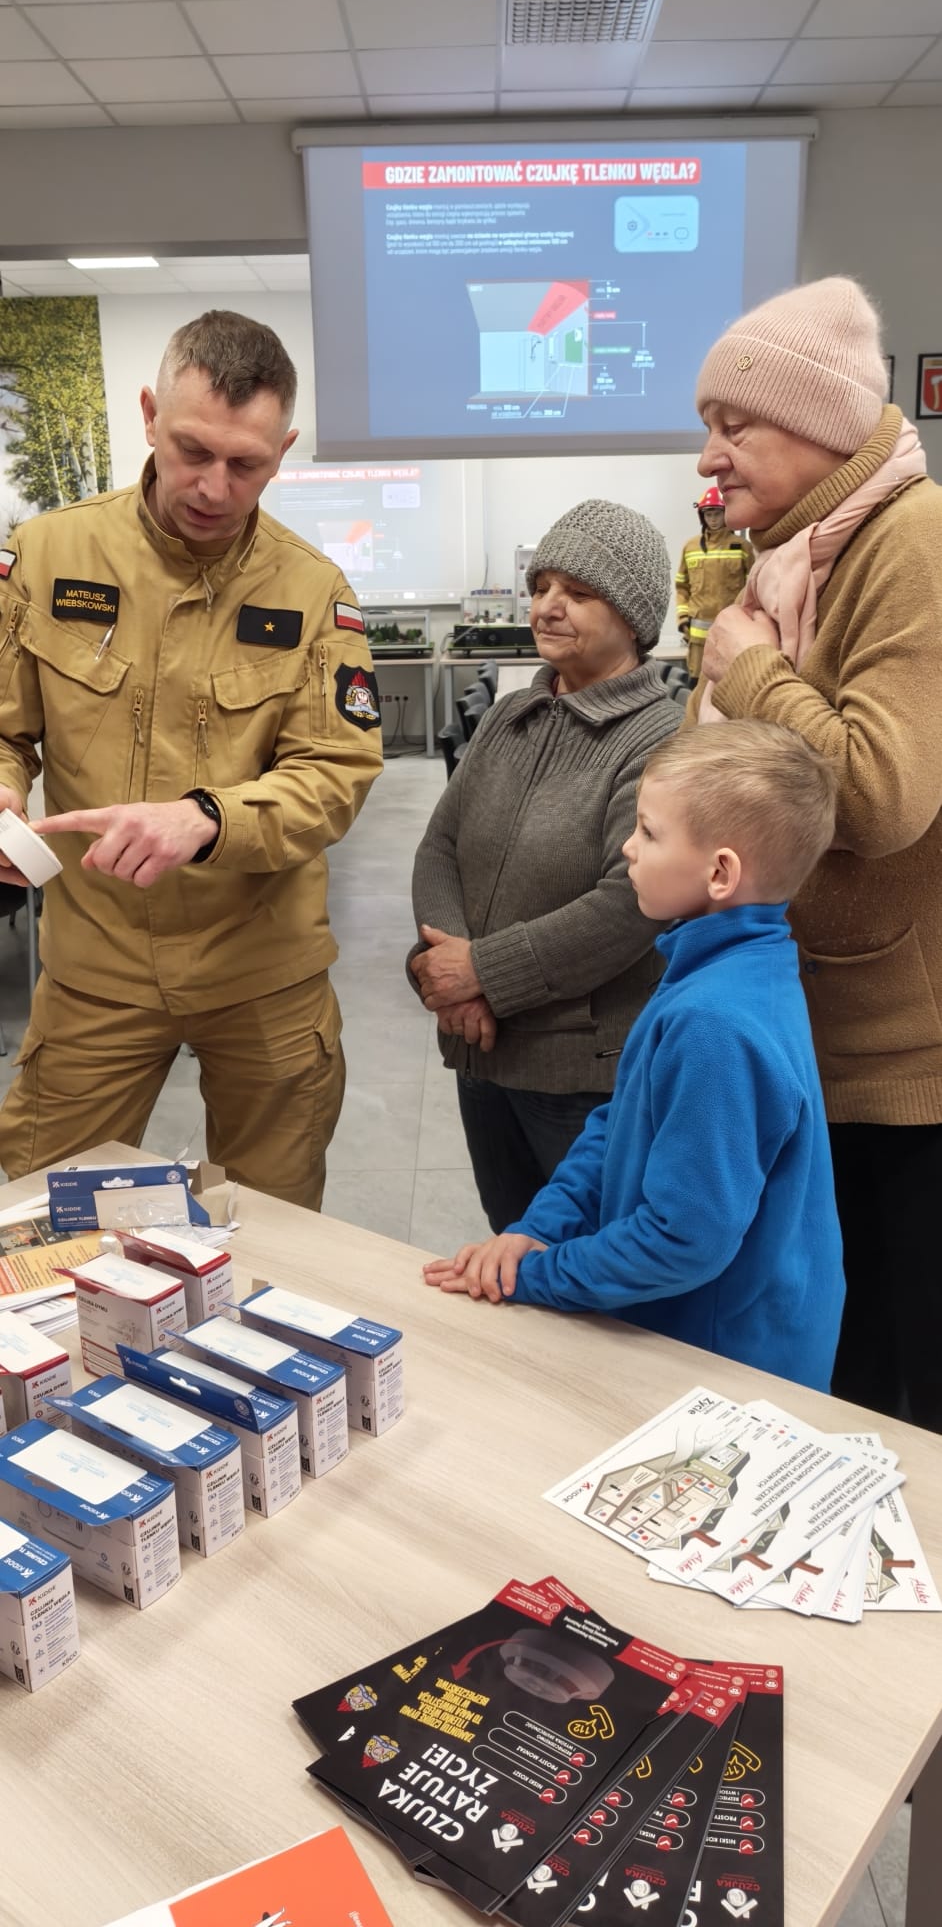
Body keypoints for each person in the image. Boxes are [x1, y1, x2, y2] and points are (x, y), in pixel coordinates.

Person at [0, 309, 383, 1209]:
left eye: (245, 464)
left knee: (275, 1222)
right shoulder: (47, 558)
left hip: (263, 971)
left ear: (283, 452)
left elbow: (336, 774)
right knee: (41, 1213)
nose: (213, 487)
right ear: (149, 415)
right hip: (96, 966)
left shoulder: (313, 591)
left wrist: (207, 819)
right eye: (192, 451)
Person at [688, 273, 942, 1430]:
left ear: (821, 423)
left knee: (897, 1398)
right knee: (839, 1375)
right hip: (805, 1030)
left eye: (734, 424)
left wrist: (747, 670)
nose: (711, 458)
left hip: (897, 1073)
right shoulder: (795, 556)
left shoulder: (911, 540)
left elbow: (880, 792)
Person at [424, 721, 844, 1395]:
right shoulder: (725, 967)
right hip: (701, 1334)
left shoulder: (715, 1024)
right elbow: (621, 1121)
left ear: (720, 872)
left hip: (723, 1369)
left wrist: (537, 1274)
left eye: (648, 832)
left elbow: (682, 1240)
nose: (628, 846)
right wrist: (538, 1229)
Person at [409, 499, 682, 1234]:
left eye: (579, 593)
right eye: (541, 588)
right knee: (511, 1246)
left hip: (579, 1077)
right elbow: (440, 846)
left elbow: (629, 903)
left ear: (633, 617)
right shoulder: (512, 715)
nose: (548, 607)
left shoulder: (660, 739)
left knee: (586, 1260)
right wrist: (453, 974)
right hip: (480, 1049)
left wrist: (482, 973)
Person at [675, 485, 753, 679]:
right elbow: (682, 587)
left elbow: (753, 588)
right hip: (698, 635)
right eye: (708, 514)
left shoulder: (742, 546)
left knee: (731, 683)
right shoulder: (691, 547)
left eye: (717, 514)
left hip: (733, 632)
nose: (713, 519)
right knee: (697, 683)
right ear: (702, 516)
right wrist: (682, 619)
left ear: (725, 513)